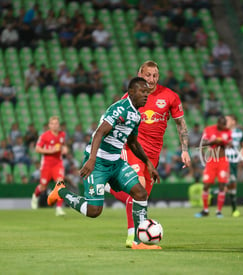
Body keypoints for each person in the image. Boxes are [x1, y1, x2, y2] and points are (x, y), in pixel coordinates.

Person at [47, 77, 162, 250]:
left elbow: (132, 143)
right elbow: (99, 133)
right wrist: (92, 159)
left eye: (147, 92)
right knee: (94, 211)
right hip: (98, 162)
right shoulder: (119, 109)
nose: (146, 95)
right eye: (142, 91)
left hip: (116, 162)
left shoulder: (136, 115)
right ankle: (61, 191)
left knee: (140, 193)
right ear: (131, 92)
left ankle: (138, 241)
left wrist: (148, 163)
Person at [105, 61, 191, 248]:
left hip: (153, 155)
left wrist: (184, 150)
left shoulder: (170, 96)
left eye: (154, 75)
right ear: (140, 75)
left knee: (140, 198)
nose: (151, 79)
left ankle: (109, 187)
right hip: (133, 148)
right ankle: (134, 239)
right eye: (147, 75)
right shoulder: (131, 96)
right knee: (139, 188)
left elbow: (181, 124)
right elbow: (118, 121)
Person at [195, 116, 232, 218]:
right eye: (222, 124)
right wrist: (214, 142)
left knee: (221, 185)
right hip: (211, 160)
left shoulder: (228, 131)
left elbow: (230, 144)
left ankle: (218, 211)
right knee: (206, 185)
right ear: (218, 123)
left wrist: (224, 142)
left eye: (225, 124)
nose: (223, 126)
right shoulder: (209, 130)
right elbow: (203, 143)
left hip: (223, 161)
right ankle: (205, 210)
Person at [31, 116, 68, 216]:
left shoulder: (62, 134)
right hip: (46, 164)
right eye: (53, 124)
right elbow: (37, 149)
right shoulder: (44, 136)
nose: (55, 126)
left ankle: (59, 208)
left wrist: (65, 149)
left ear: (59, 125)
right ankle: (35, 196)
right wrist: (49, 151)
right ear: (49, 125)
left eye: (56, 124)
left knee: (60, 184)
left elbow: (63, 145)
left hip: (58, 163)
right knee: (43, 187)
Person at [224, 114, 243, 217]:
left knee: (233, 186)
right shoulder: (222, 132)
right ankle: (219, 189)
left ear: (233, 121)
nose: (225, 122)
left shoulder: (239, 133)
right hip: (224, 160)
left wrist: (242, 157)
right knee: (231, 179)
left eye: (227, 120)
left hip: (234, 161)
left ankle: (234, 209)